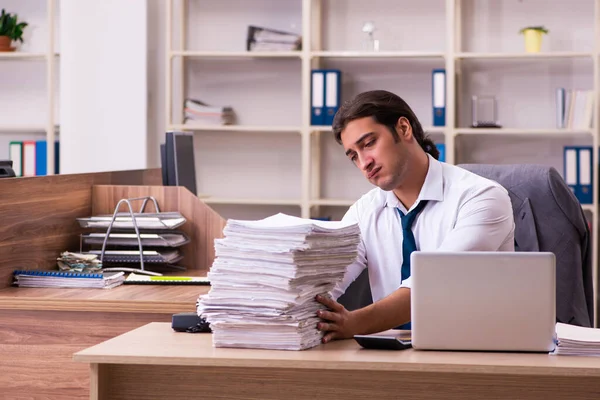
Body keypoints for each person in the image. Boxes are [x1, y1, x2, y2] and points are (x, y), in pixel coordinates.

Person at [315, 90, 515, 343]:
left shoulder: (482, 197)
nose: (364, 162)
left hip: (475, 350)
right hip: (393, 352)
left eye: (369, 144)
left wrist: (355, 323)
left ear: (403, 128)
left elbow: (433, 283)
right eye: (354, 155)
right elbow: (324, 280)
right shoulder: (364, 211)